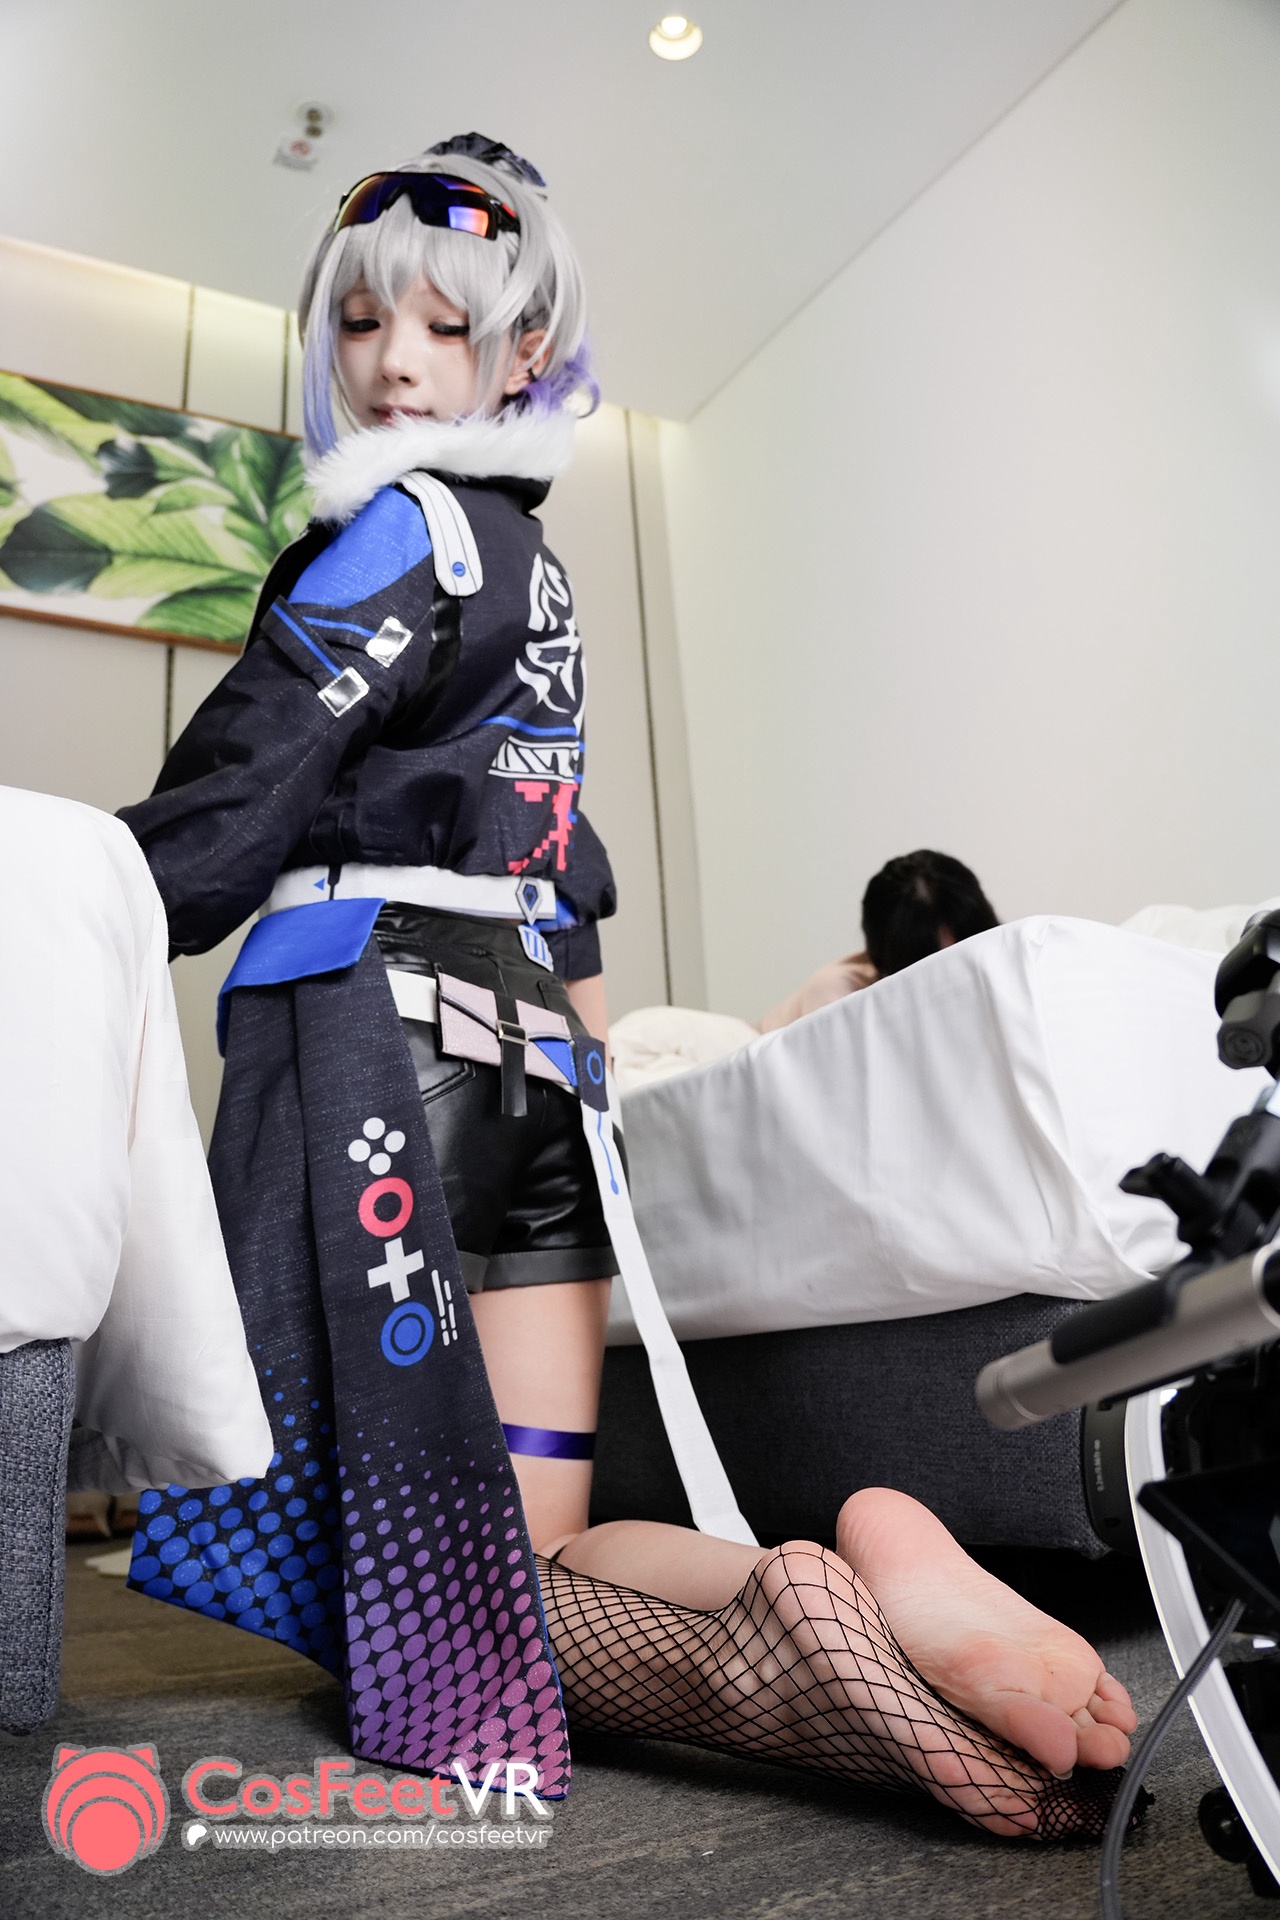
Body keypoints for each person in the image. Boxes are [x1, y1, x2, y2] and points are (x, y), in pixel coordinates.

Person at [118, 136, 1135, 1836]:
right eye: (361, 321)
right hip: (530, 1062)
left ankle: (791, 1643)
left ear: (523, 350)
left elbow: (246, 778)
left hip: (377, 1035)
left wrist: (76, 911)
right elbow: (569, 860)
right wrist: (585, 1101)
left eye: (443, 326)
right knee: (542, 1540)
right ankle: (820, 1597)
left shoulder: (394, 535)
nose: (391, 361)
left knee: (408, 1602)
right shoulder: (541, 578)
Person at [758, 849, 999, 1032]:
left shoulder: (1001, 959)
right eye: (930, 964)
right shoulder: (838, 993)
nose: (952, 975)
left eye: (964, 950)